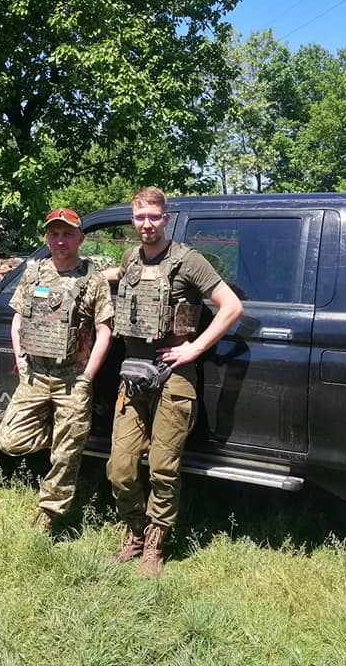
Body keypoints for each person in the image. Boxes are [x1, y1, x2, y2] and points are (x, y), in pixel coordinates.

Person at [105, 186, 244, 576]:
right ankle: (133, 531)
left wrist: (193, 348)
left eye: (153, 217)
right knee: (121, 466)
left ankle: (155, 543)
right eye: (139, 217)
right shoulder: (131, 256)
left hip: (173, 375)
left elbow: (232, 306)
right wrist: (89, 273)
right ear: (133, 220)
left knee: (163, 467)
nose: (146, 224)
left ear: (165, 218)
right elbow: (120, 277)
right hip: (133, 373)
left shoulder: (188, 261)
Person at [0, 207, 114, 533]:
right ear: (47, 237)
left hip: (72, 378)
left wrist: (87, 377)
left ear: (80, 237)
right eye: (54, 234)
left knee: (66, 456)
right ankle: (68, 438)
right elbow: (18, 319)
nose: (60, 240)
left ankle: (49, 514)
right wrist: (21, 361)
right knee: (9, 440)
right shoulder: (33, 274)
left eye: (67, 234)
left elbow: (105, 330)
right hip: (34, 374)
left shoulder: (93, 279)